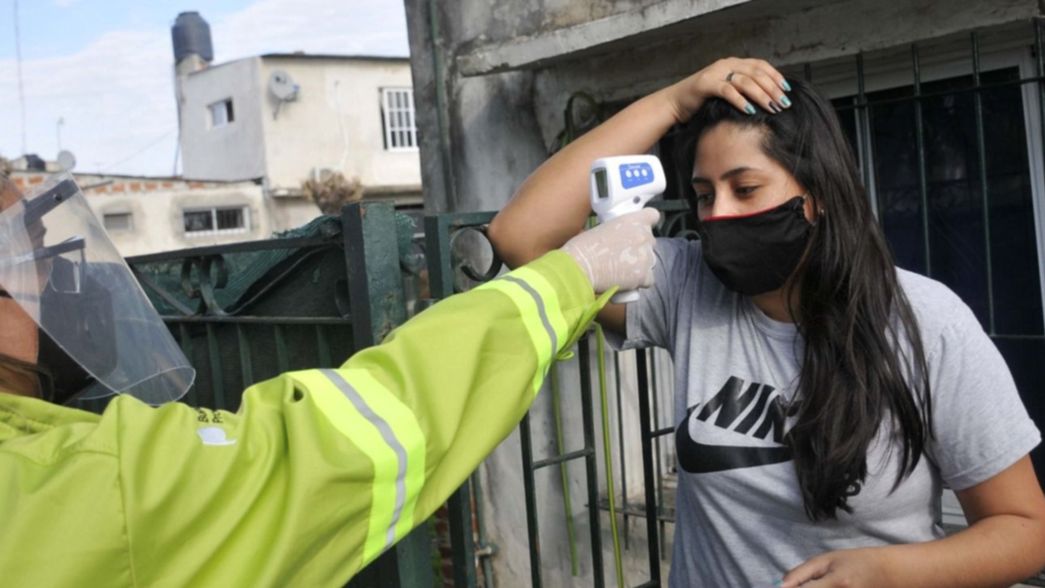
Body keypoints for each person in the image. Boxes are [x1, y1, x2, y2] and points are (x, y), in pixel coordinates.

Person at [488, 57, 1045, 587]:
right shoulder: (685, 285)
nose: (719, 213)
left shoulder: (925, 323)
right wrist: (674, 102)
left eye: (746, 189)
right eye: (704, 195)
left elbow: (1027, 529)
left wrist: (890, 573)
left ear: (818, 194)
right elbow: (521, 234)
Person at [0, 173, 658, 585]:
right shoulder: (81, 481)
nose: (63, 278)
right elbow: (350, 442)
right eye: (33, 257)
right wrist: (572, 275)